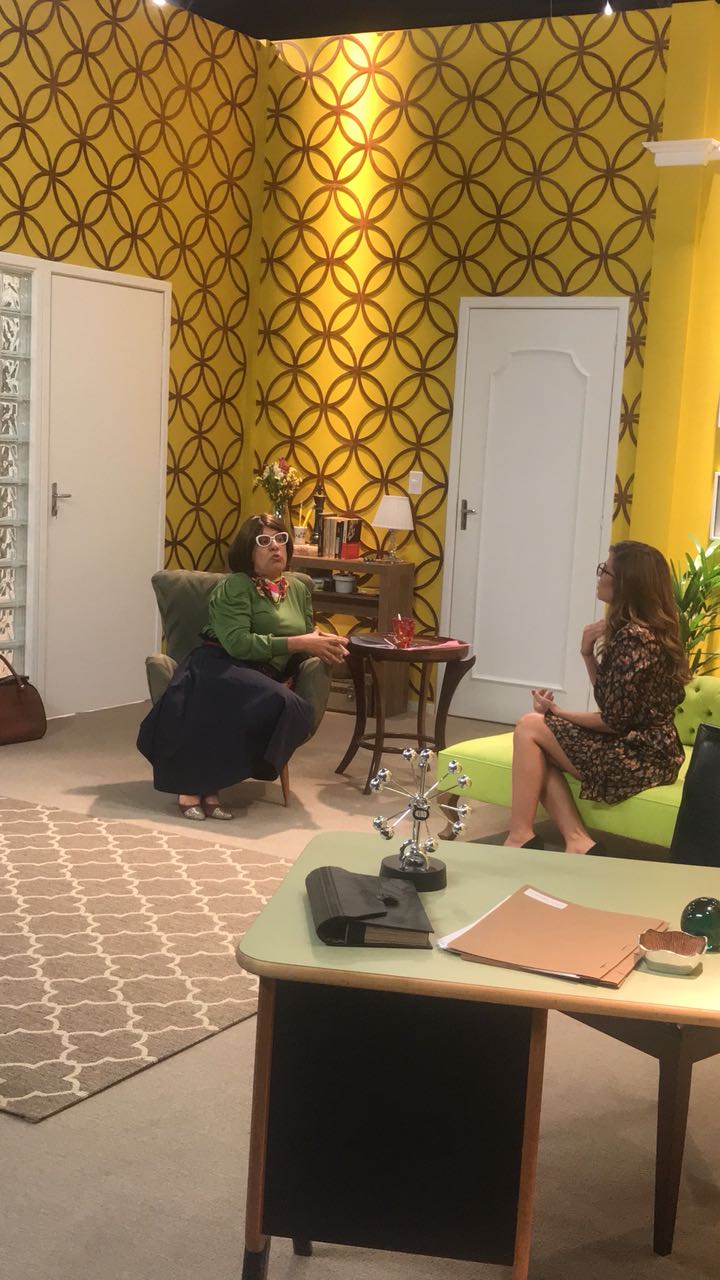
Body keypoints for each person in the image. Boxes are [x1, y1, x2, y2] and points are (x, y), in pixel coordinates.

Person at [137, 513, 349, 820]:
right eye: (263, 541)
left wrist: (319, 644)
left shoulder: (298, 589)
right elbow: (238, 643)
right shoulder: (236, 586)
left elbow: (302, 640)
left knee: (293, 707)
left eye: (281, 539)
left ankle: (207, 784)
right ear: (248, 552)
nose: (275, 546)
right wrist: (301, 642)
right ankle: (196, 786)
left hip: (261, 674)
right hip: (219, 665)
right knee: (277, 700)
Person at [504, 540, 688, 854]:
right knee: (536, 743)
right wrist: (587, 654)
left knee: (529, 726)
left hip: (638, 756)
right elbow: (613, 703)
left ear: (626, 583)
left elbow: (612, 721)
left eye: (606, 570)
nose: (600, 576)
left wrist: (557, 713)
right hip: (656, 751)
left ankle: (520, 835)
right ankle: (577, 841)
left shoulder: (634, 638)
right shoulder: (649, 632)